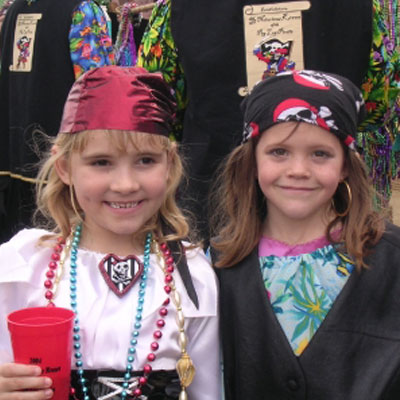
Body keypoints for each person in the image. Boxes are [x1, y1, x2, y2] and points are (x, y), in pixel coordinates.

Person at [0, 66, 220, 400]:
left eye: (145, 160)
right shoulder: (21, 270)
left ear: (170, 164)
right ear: (65, 167)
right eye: (101, 162)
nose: (125, 184)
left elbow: (208, 392)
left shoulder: (191, 278)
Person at [138, 0, 400, 243]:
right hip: (325, 196)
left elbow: (156, 102)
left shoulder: (175, 6)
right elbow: (377, 104)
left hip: (215, 194)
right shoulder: (365, 5)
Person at [211, 69, 400, 399]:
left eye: (320, 154)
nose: (298, 170)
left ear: (344, 165)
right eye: (279, 152)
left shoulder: (392, 260)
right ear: (252, 161)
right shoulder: (218, 267)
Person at [0, 0, 115, 244]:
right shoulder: (81, 9)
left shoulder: (15, 9)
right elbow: (100, 88)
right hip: (64, 166)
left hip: (14, 157)